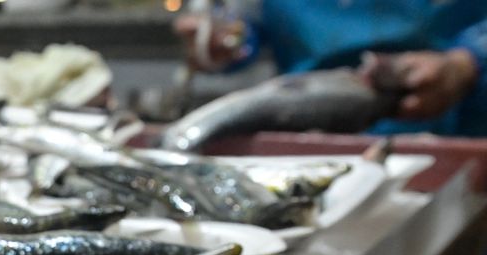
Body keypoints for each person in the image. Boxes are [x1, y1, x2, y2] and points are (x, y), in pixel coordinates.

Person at [174, 1, 487, 137]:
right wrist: (229, 40)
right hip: (308, 127)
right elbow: (253, 21)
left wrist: (467, 62)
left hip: (454, 129)